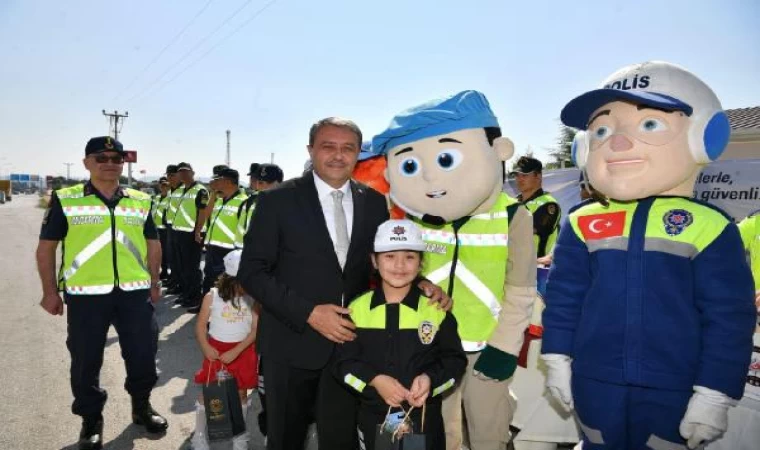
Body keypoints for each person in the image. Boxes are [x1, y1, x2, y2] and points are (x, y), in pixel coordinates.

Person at [542, 61, 756, 449]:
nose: (618, 143)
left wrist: (715, 392)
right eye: (602, 130)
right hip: (595, 381)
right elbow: (563, 299)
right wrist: (556, 356)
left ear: (703, 138)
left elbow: (729, 319)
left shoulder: (709, 226)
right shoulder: (582, 221)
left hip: (676, 385)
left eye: (650, 125)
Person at [238, 117, 450, 450]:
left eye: (347, 148)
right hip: (291, 345)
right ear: (311, 150)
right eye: (328, 146)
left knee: (341, 440)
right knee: (285, 439)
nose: (338, 155)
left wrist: (421, 282)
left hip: (350, 350)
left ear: (357, 155)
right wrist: (309, 313)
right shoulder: (276, 202)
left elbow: (382, 259)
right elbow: (251, 272)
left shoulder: (373, 202)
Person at [372, 90, 537, 450]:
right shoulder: (413, 219)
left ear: (498, 152)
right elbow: (400, 276)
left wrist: (505, 347)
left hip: (485, 345)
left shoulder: (512, 216)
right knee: (436, 432)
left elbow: (522, 289)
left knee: (487, 432)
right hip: (428, 344)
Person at [36, 136, 168, 450]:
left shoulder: (140, 199)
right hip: (86, 297)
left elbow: (153, 244)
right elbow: (46, 249)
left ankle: (142, 406)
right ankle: (91, 419)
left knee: (143, 354)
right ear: (87, 162)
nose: (110, 163)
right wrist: (49, 292)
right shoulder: (66, 198)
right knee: (85, 361)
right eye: (101, 157)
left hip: (134, 294)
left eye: (116, 158)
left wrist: (154, 282)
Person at [335, 219, 467, 450]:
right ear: (374, 261)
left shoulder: (436, 311)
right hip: (374, 416)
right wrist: (375, 380)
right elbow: (343, 363)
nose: (399, 265)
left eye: (409, 257)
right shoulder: (356, 310)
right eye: (389, 256)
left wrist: (430, 380)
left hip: (425, 419)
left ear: (420, 264)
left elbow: (455, 360)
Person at [192, 250, 258, 450]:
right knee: (208, 394)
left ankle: (240, 437)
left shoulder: (253, 299)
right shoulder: (211, 297)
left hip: (242, 350)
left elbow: (255, 330)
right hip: (217, 351)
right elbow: (200, 326)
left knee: (241, 394)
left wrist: (236, 351)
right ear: (231, 280)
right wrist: (206, 347)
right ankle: (199, 435)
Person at [194, 168, 248, 314]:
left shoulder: (243, 202)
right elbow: (207, 214)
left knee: (225, 285)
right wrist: (213, 193)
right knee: (209, 280)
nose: (214, 182)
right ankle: (204, 309)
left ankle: (221, 315)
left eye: (218, 180)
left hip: (229, 251)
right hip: (213, 247)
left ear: (229, 182)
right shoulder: (218, 199)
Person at [170, 162, 209, 309]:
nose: (183, 175)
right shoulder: (182, 190)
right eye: (180, 172)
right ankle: (186, 294)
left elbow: (203, 212)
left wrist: (198, 231)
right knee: (182, 266)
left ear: (192, 173)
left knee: (192, 267)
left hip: (192, 234)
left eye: (186, 172)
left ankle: (194, 297)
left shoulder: (201, 190)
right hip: (179, 232)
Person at [511, 156, 562, 258]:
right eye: (517, 175)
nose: (519, 179)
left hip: (537, 269)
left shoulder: (549, 204)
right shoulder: (512, 203)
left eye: (524, 175)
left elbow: (522, 232)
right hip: (511, 267)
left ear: (538, 176)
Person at [234, 163, 283, 249]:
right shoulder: (251, 201)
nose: (262, 186)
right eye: (260, 182)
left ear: (278, 183)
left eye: (268, 182)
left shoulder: (289, 204)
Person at [164, 164, 184, 295]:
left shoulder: (184, 190)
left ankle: (181, 285)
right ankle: (174, 281)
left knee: (181, 260)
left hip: (181, 229)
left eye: (172, 175)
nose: (169, 178)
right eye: (168, 175)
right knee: (173, 258)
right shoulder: (171, 190)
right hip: (170, 227)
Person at [152, 176, 171, 280]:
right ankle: (160, 271)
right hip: (156, 229)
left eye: (165, 185)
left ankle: (165, 272)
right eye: (161, 184)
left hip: (165, 229)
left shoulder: (170, 198)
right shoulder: (157, 197)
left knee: (165, 252)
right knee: (156, 252)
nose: (163, 187)